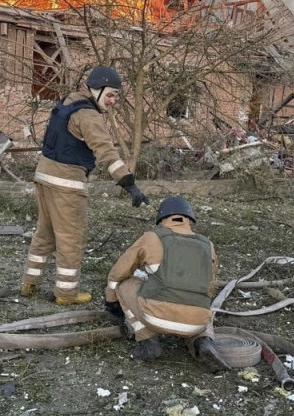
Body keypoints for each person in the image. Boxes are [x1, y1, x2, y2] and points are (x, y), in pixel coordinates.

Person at [20, 65, 149, 305]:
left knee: (44, 233)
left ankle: (30, 282)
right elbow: (106, 152)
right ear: (96, 90)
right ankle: (66, 294)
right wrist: (129, 184)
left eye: (115, 97)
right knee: (71, 238)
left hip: (44, 176)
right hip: (66, 183)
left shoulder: (68, 103)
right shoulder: (88, 115)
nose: (112, 101)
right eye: (110, 95)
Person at [103, 195, 223, 371]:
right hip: (196, 323)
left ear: (162, 218)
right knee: (202, 298)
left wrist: (111, 300)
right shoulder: (207, 244)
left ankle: (148, 340)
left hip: (156, 318)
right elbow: (209, 282)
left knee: (124, 284)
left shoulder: (152, 237)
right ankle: (203, 339)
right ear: (190, 219)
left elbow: (118, 272)